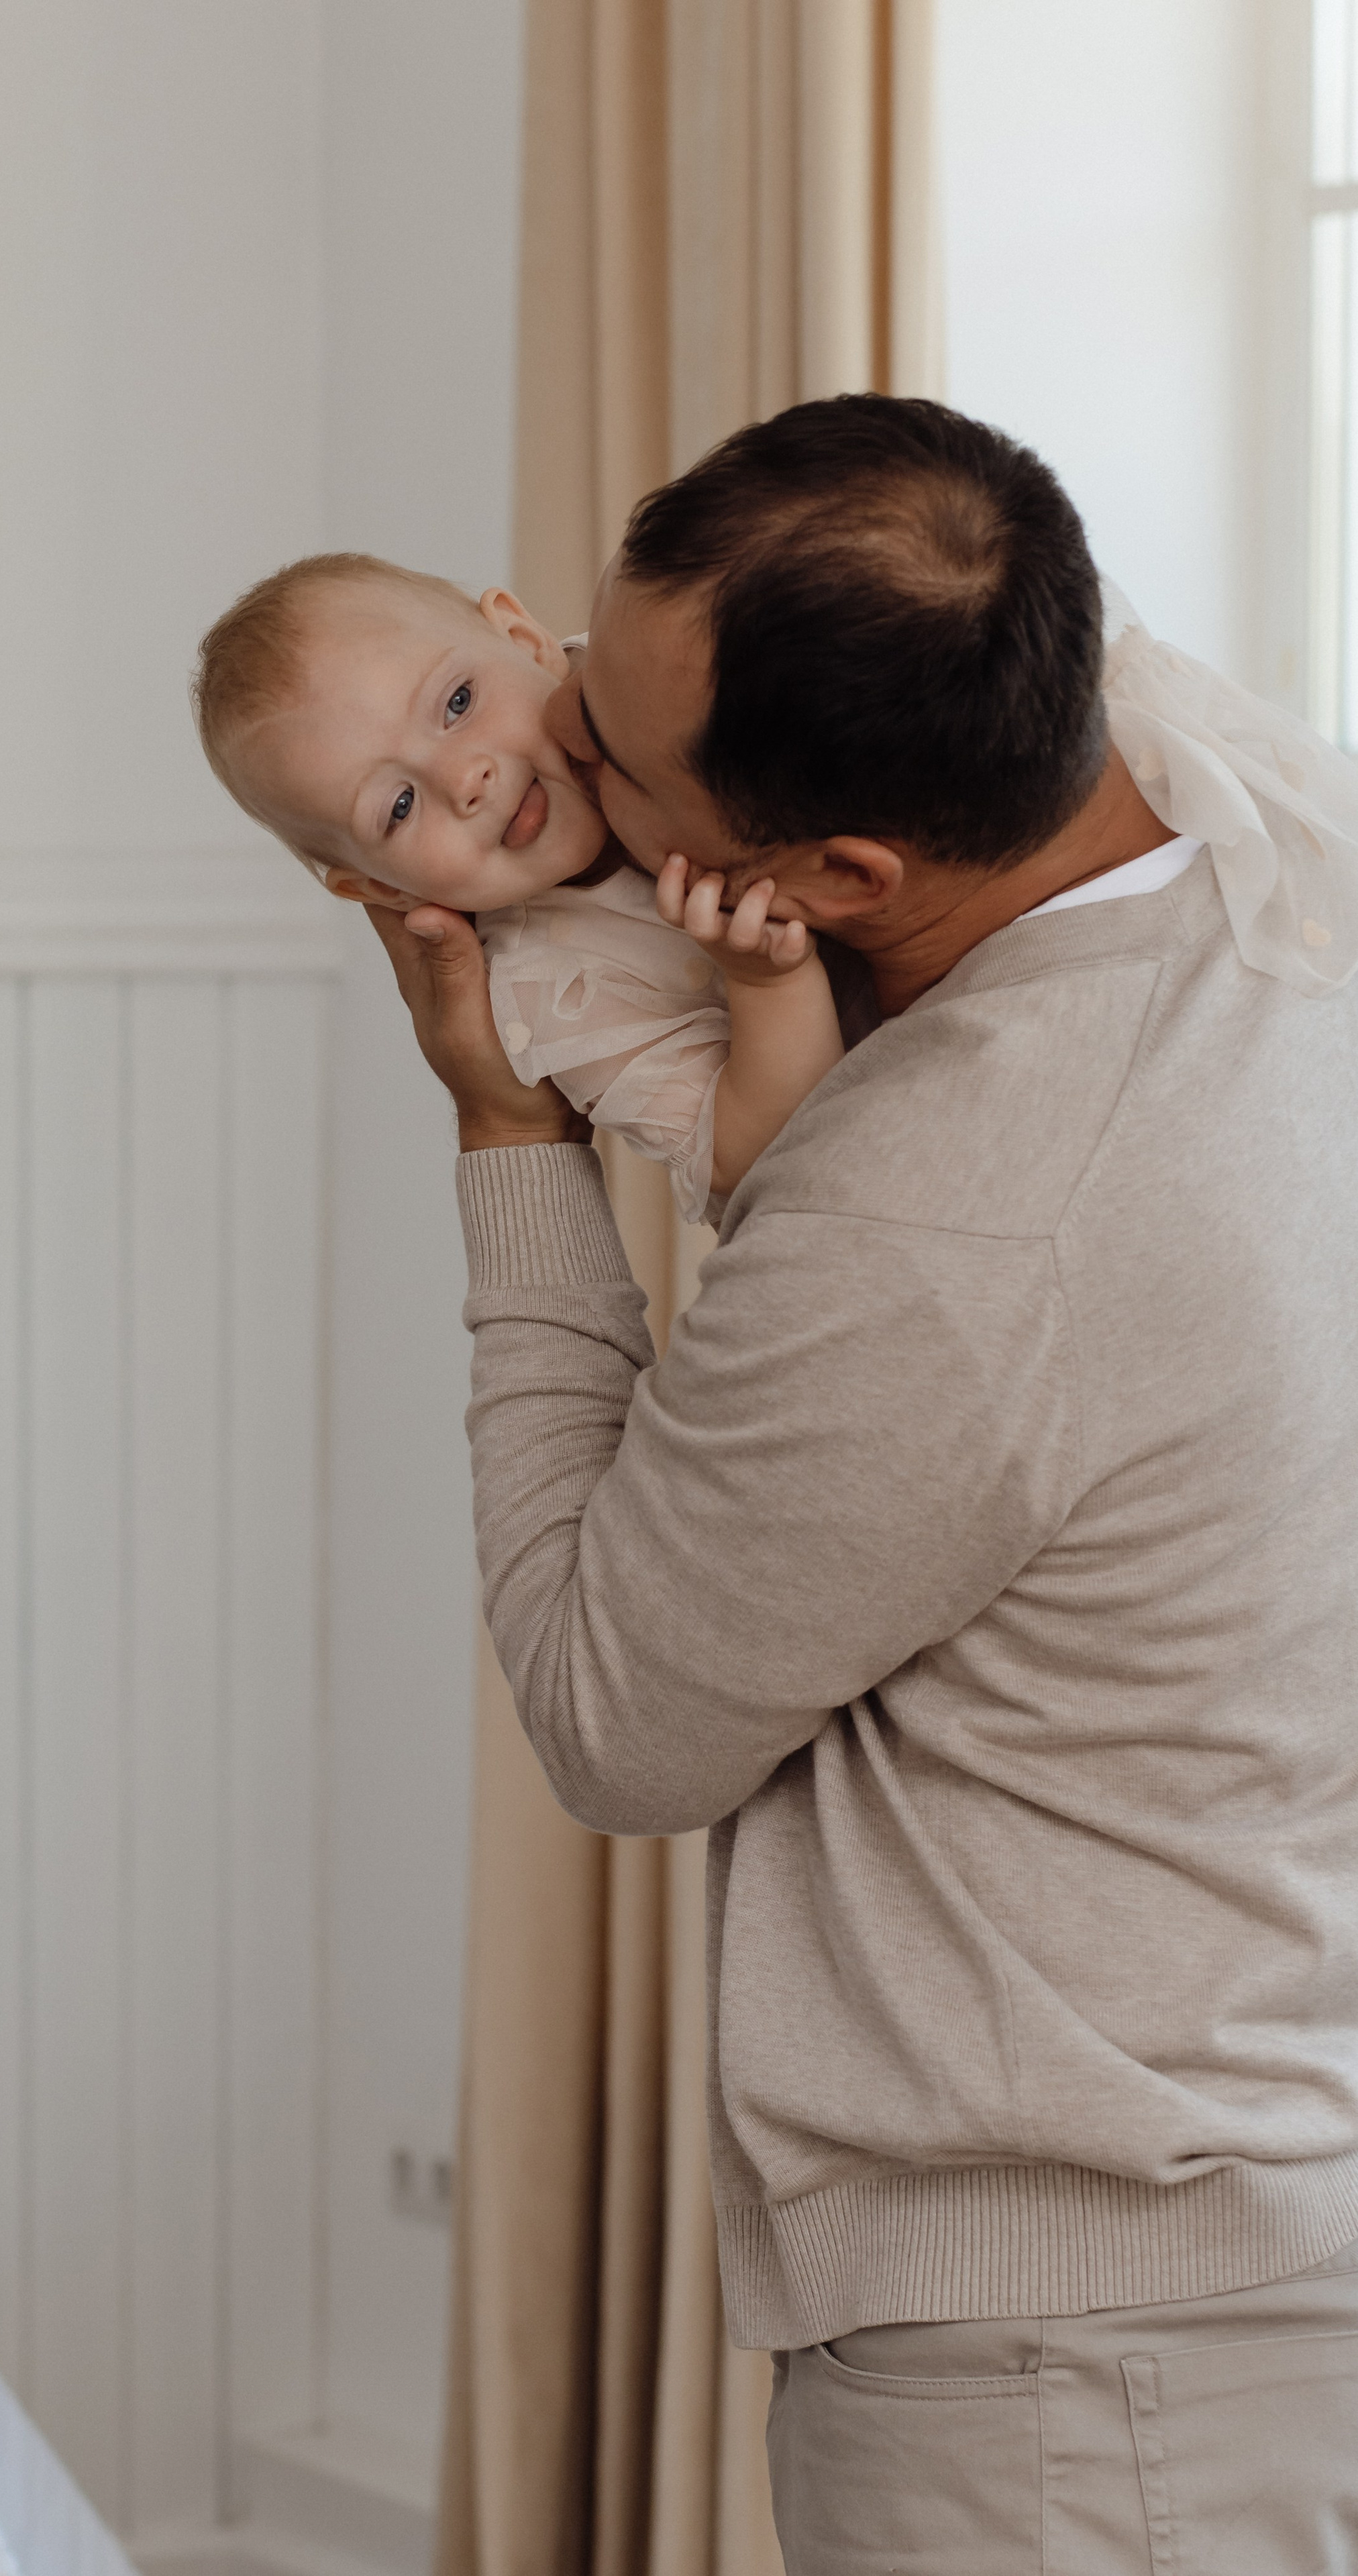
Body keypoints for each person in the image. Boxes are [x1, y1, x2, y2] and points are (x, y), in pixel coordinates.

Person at [369, 395, 1358, 2572]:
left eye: (614, 761)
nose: (546, 750)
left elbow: (614, 1718)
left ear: (841, 882)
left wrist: (510, 1142)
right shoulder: (1281, 871)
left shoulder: (938, 1219)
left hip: (1076, 2409)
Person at [191, 553, 842, 1221]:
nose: (464, 779)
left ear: (524, 641)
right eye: (400, 806)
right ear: (382, 889)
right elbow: (748, 1163)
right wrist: (768, 986)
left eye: (457, 703)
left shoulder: (653, 662)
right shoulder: (548, 990)